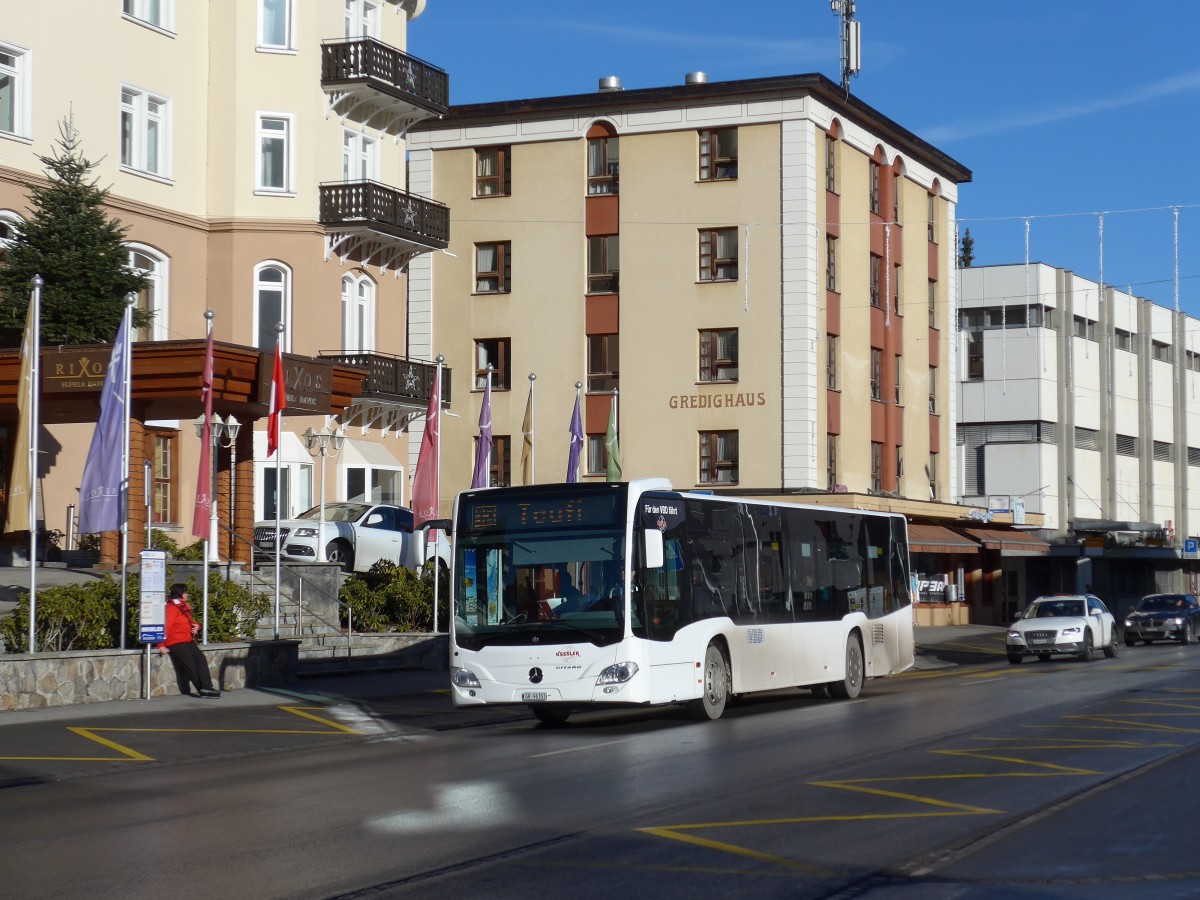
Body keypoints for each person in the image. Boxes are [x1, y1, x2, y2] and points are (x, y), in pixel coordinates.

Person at [158, 583, 220, 698]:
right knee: (189, 664)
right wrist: (161, 645)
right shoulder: (171, 608)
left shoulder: (183, 607)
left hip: (187, 639)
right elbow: (166, 627)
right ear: (180, 594)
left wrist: (197, 626)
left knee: (200, 659)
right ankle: (202, 689)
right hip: (175, 641)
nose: (187, 594)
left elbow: (187, 622)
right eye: (185, 592)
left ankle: (207, 686)